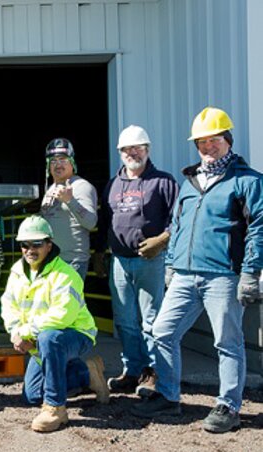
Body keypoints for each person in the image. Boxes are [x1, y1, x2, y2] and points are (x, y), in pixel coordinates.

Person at [130, 107, 263, 433]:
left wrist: (250, 272)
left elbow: (259, 228)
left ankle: (228, 407)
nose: (208, 147)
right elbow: (177, 225)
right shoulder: (189, 182)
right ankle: (168, 397)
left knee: (227, 343)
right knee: (162, 332)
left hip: (223, 275)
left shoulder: (248, 181)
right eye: (202, 142)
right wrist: (173, 266)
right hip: (185, 275)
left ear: (227, 140)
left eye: (214, 140)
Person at [1, 216, 109, 432]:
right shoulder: (17, 272)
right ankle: (86, 372)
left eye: (37, 244)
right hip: (39, 337)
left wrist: (27, 333)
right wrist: (15, 331)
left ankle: (55, 408)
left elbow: (62, 316)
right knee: (32, 396)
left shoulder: (65, 274)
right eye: (25, 245)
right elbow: (8, 303)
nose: (30, 249)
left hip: (75, 335)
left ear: (49, 245)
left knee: (49, 338)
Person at [93, 126, 179, 396]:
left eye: (138, 147)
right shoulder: (113, 184)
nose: (133, 152)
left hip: (150, 262)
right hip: (119, 261)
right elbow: (106, 221)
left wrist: (161, 241)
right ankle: (132, 370)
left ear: (148, 150)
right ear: (120, 153)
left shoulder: (164, 182)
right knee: (125, 321)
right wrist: (99, 252)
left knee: (151, 321)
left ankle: (153, 372)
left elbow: (178, 220)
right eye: (127, 149)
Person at [39, 138, 98, 280]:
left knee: (68, 303)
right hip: (50, 261)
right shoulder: (50, 189)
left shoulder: (81, 186)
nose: (58, 164)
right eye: (53, 160)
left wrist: (70, 200)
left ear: (72, 162)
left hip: (72, 263)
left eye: (62, 159)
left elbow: (91, 222)